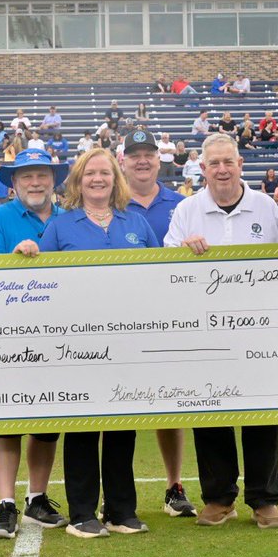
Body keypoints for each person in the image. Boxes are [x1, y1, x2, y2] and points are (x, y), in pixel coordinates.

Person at [163, 133, 278, 528]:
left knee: (262, 412)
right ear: (202, 169)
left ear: (240, 164)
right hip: (203, 332)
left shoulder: (266, 207)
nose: (221, 169)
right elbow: (165, 265)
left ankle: (264, 499)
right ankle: (218, 498)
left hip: (259, 331)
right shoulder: (187, 210)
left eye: (228, 162)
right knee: (210, 410)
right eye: (213, 163)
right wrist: (184, 249)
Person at [34, 148, 160, 537]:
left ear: (115, 178)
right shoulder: (60, 226)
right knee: (83, 427)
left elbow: (162, 275)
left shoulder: (136, 221)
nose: (98, 179)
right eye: (90, 173)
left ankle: (121, 510)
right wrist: (28, 254)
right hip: (78, 345)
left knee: (123, 426)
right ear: (77, 180)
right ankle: (83, 512)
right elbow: (41, 282)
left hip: (128, 345)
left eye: (104, 172)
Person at [0, 149, 71, 539]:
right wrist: (17, 260)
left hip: (61, 333)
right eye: (27, 176)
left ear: (54, 180)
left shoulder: (71, 219)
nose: (35, 182)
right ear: (13, 183)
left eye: (42, 175)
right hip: (10, 335)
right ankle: (5, 503)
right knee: (7, 423)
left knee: (48, 423)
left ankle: (36, 497)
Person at [117, 128, 197, 519]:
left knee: (172, 404)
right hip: (120, 317)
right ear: (123, 161)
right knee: (117, 405)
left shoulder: (182, 204)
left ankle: (173, 485)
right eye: (135, 155)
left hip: (171, 316)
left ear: (160, 159)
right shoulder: (109, 202)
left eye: (149, 153)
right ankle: (116, 492)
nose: (143, 160)